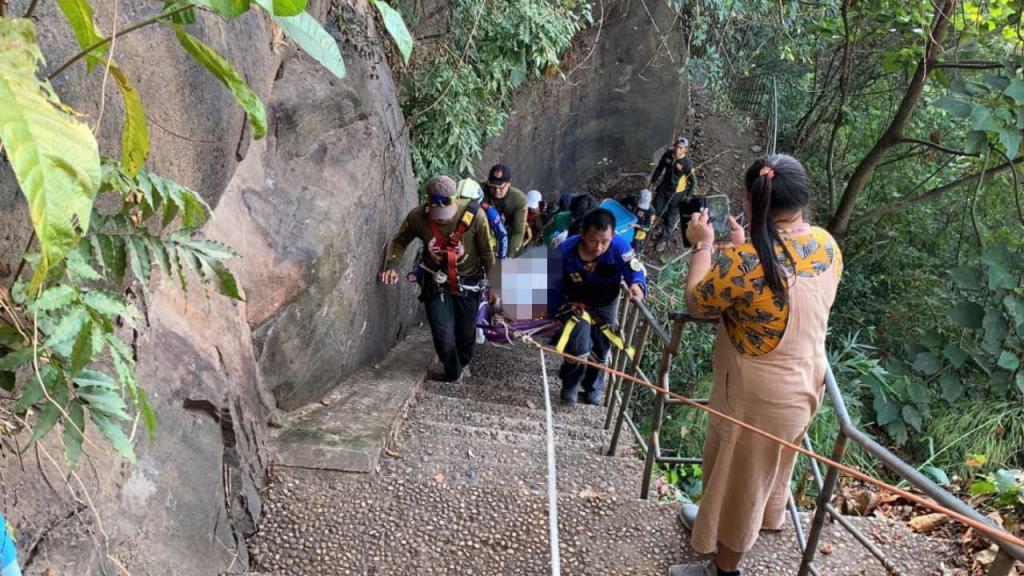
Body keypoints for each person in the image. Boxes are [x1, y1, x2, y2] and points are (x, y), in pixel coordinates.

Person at [668, 154, 843, 576]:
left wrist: (705, 246)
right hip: (804, 382)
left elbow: (697, 302)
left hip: (755, 395)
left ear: (750, 199)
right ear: (801, 199)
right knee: (749, 470)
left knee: (745, 481)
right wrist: (745, 243)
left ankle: (724, 568)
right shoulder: (826, 244)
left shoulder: (741, 262)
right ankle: (713, 522)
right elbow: (778, 278)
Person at [380, 175, 496, 382]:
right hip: (437, 280)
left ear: (454, 199)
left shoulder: (474, 216)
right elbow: (400, 240)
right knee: (442, 332)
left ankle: (463, 363)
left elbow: (487, 252)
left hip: (469, 282)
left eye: (445, 212)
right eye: (436, 213)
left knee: (466, 333)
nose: (441, 218)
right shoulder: (417, 217)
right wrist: (392, 266)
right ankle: (453, 372)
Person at [548, 208, 647, 405]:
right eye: (593, 240)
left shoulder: (619, 247)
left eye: (605, 242)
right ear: (583, 234)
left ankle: (593, 387)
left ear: (613, 237)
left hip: (606, 303)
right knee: (578, 346)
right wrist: (557, 309)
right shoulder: (565, 252)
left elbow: (634, 271)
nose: (598, 247)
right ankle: (570, 384)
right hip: (577, 304)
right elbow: (552, 285)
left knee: (602, 349)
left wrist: (637, 286)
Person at [649, 137, 698, 252]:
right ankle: (658, 222)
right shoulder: (668, 155)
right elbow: (659, 169)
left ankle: (664, 238)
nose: (677, 150)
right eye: (676, 146)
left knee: (671, 216)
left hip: (677, 194)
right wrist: (652, 183)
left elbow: (693, 182)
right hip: (663, 189)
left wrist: (687, 197)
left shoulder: (687, 164)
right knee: (656, 209)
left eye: (681, 148)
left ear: (685, 150)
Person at [481, 164, 529, 256]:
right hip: (484, 232)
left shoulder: (519, 199)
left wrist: (509, 256)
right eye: (493, 187)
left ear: (509, 184)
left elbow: (518, 232)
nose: (497, 191)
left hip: (508, 234)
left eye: (501, 187)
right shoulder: (479, 190)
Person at [458, 178, 508, 259]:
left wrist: (501, 258)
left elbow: (502, 235)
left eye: (467, 202)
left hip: (484, 250)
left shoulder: (489, 212)